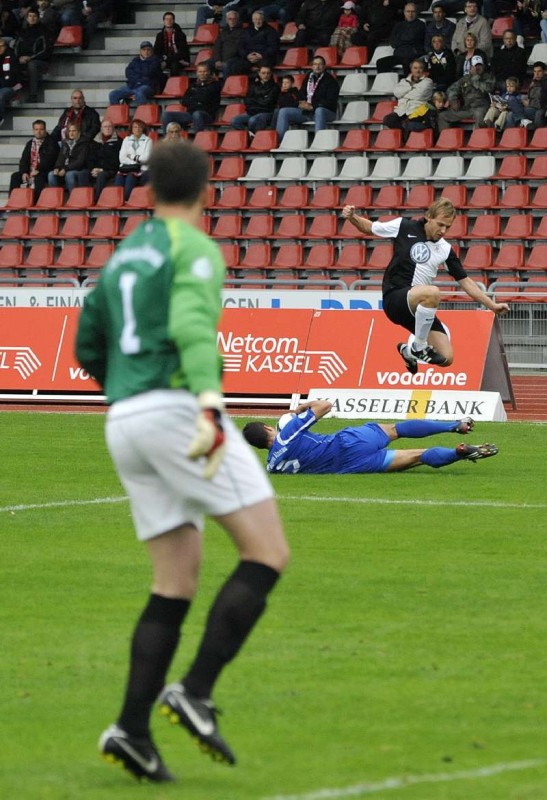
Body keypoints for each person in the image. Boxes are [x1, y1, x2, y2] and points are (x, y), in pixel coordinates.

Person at [75, 138, 289, 783]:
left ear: (147, 191)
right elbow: (195, 326)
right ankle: (193, 690)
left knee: (175, 580)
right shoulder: (192, 248)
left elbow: (88, 338)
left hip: (126, 420)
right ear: (207, 190)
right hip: (176, 411)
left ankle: (132, 731)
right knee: (266, 552)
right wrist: (204, 402)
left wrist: (124, 390)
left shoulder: (124, 256)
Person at [340, 197, 510, 371]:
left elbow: (465, 281)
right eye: (440, 224)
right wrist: (352, 217)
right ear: (429, 216)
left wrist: (492, 305)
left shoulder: (445, 249)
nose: (443, 230)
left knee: (446, 358)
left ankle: (409, 352)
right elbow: (370, 227)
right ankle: (419, 346)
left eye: (448, 227)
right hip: (395, 297)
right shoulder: (404, 226)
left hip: (418, 309)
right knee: (433, 293)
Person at [243, 401, 499, 473]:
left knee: (418, 457)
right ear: (267, 429)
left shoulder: (273, 466)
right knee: (397, 429)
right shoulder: (286, 434)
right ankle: (454, 425)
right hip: (349, 441)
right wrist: (303, 408)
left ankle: (458, 452)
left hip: (354, 465)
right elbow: (325, 406)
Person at [275, 54, 340, 139]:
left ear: (324, 66)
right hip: (307, 112)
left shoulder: (331, 81)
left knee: (319, 111)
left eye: (320, 64)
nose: (317, 66)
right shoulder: (308, 78)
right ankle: (279, 142)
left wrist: (313, 106)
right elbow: (301, 94)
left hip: (325, 112)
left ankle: (319, 141)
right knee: (283, 112)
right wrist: (301, 103)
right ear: (312, 66)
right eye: (315, 64)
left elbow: (330, 102)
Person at [438, 54, 496, 131]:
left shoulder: (488, 77)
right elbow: (452, 89)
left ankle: (479, 141)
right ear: (470, 67)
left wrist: (475, 77)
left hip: (481, 108)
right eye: (475, 65)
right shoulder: (465, 79)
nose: (477, 68)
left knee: (479, 115)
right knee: (443, 116)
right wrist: (453, 99)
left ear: (483, 66)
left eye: (479, 65)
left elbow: (488, 89)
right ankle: (446, 140)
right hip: (466, 108)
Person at [160, 63, 221, 133]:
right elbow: (184, 101)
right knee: (166, 115)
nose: (202, 74)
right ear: (197, 73)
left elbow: (205, 99)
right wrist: (198, 101)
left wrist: (194, 98)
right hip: (190, 114)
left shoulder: (215, 85)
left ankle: (198, 140)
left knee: (197, 114)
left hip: (207, 115)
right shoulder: (193, 85)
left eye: (205, 71)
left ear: (209, 72)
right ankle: (166, 140)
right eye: (200, 72)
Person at [9, 117, 58, 201]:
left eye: (41, 129)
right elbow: (24, 160)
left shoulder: (52, 142)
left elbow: (50, 160)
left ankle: (36, 203)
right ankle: (12, 201)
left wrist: (38, 169)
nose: (38, 132)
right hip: (30, 171)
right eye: (36, 129)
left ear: (45, 130)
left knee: (38, 178)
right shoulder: (30, 143)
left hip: (44, 171)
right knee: (15, 176)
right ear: (33, 130)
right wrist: (24, 172)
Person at [382, 58, 434, 136]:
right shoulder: (404, 81)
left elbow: (418, 95)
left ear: (423, 70)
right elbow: (396, 93)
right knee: (388, 120)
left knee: (411, 124)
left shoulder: (428, 81)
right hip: (401, 111)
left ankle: (404, 137)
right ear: (411, 70)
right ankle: (403, 131)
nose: (417, 70)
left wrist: (403, 94)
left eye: (420, 68)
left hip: (416, 111)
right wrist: (411, 87)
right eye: (415, 68)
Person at [108, 41, 164, 106]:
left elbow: (149, 73)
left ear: (152, 51)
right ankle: (117, 115)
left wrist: (137, 75)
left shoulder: (156, 61)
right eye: (144, 50)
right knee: (113, 94)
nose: (146, 52)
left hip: (149, 86)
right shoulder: (135, 60)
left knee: (139, 92)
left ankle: (143, 115)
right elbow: (128, 72)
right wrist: (139, 79)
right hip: (133, 86)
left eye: (148, 50)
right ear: (140, 51)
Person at [13, 6, 51, 102]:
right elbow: (16, 47)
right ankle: (13, 94)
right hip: (23, 60)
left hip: (40, 61)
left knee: (32, 65)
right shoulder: (22, 32)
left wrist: (30, 58)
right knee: (11, 64)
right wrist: (18, 58)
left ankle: (33, 95)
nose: (32, 18)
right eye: (30, 16)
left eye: (34, 16)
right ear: (27, 18)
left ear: (38, 18)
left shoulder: (44, 31)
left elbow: (45, 50)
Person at [376, 2, 426, 75]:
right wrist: (406, 41)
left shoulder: (421, 25)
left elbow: (414, 39)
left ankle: (408, 84)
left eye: (413, 11)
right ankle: (387, 82)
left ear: (416, 13)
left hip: (413, 55)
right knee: (381, 62)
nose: (410, 14)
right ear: (404, 12)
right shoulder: (398, 25)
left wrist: (401, 40)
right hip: (399, 54)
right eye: (408, 11)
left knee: (407, 62)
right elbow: (393, 42)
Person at [231, 63, 280, 133]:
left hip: (267, 113)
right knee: (235, 121)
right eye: (263, 73)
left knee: (253, 120)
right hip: (252, 112)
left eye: (268, 73)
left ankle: (253, 138)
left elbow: (267, 103)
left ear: (271, 74)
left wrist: (254, 100)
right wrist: (261, 99)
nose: (266, 75)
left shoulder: (275, 87)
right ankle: (248, 136)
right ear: (259, 73)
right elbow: (247, 100)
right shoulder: (253, 85)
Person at [114, 117, 152, 201]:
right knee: (119, 178)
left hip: (141, 170)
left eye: (140, 127)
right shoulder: (126, 140)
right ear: (131, 129)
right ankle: (117, 201)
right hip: (126, 169)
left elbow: (145, 158)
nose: (137, 129)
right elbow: (122, 158)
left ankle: (127, 201)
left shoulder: (148, 141)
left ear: (143, 129)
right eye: (135, 127)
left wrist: (131, 156)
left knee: (130, 177)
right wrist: (136, 162)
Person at [48, 122, 90, 192]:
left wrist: (65, 169)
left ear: (79, 132)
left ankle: (73, 197)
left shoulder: (85, 143)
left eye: (74, 131)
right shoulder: (65, 143)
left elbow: (80, 162)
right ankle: (55, 197)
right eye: (69, 131)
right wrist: (57, 168)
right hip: (65, 169)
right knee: (51, 174)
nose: (71, 133)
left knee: (69, 174)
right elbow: (60, 158)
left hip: (80, 170)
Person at [88, 116, 122, 201]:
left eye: (109, 127)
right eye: (105, 127)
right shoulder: (94, 142)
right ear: (101, 129)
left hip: (110, 169)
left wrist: (102, 169)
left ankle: (97, 200)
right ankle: (83, 200)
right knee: (83, 174)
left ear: (113, 129)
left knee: (101, 176)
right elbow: (90, 158)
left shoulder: (119, 142)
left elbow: (116, 160)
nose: (107, 129)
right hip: (95, 169)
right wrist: (93, 169)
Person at [505, 60, 547, 128]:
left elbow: (542, 101)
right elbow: (530, 96)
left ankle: (522, 119)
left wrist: (529, 103)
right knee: (511, 100)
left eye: (539, 71)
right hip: (530, 107)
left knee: (512, 114)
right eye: (535, 71)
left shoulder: (545, 83)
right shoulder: (534, 82)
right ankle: (522, 122)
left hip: (538, 109)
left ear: (545, 72)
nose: (536, 74)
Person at [208, 8, 245, 78]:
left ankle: (226, 86)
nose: (232, 21)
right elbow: (217, 46)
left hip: (235, 58)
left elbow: (237, 48)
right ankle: (209, 85)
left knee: (226, 65)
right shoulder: (223, 31)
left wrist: (224, 60)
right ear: (226, 20)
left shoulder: (243, 32)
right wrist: (217, 60)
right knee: (205, 65)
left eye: (234, 19)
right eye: (230, 19)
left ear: (237, 20)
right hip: (221, 58)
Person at [153, 10, 190, 76]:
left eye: (171, 19)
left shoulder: (181, 35)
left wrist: (167, 60)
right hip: (164, 59)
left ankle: (173, 85)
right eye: (167, 19)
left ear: (173, 21)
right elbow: (156, 51)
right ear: (164, 21)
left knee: (174, 65)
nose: (169, 21)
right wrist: (162, 59)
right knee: (154, 65)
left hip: (179, 60)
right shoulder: (159, 35)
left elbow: (182, 52)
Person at [0, 36, 23, 125]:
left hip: (10, 87)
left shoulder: (12, 58)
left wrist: (16, 89)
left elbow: (18, 78)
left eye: (1, 46)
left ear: (6, 47)